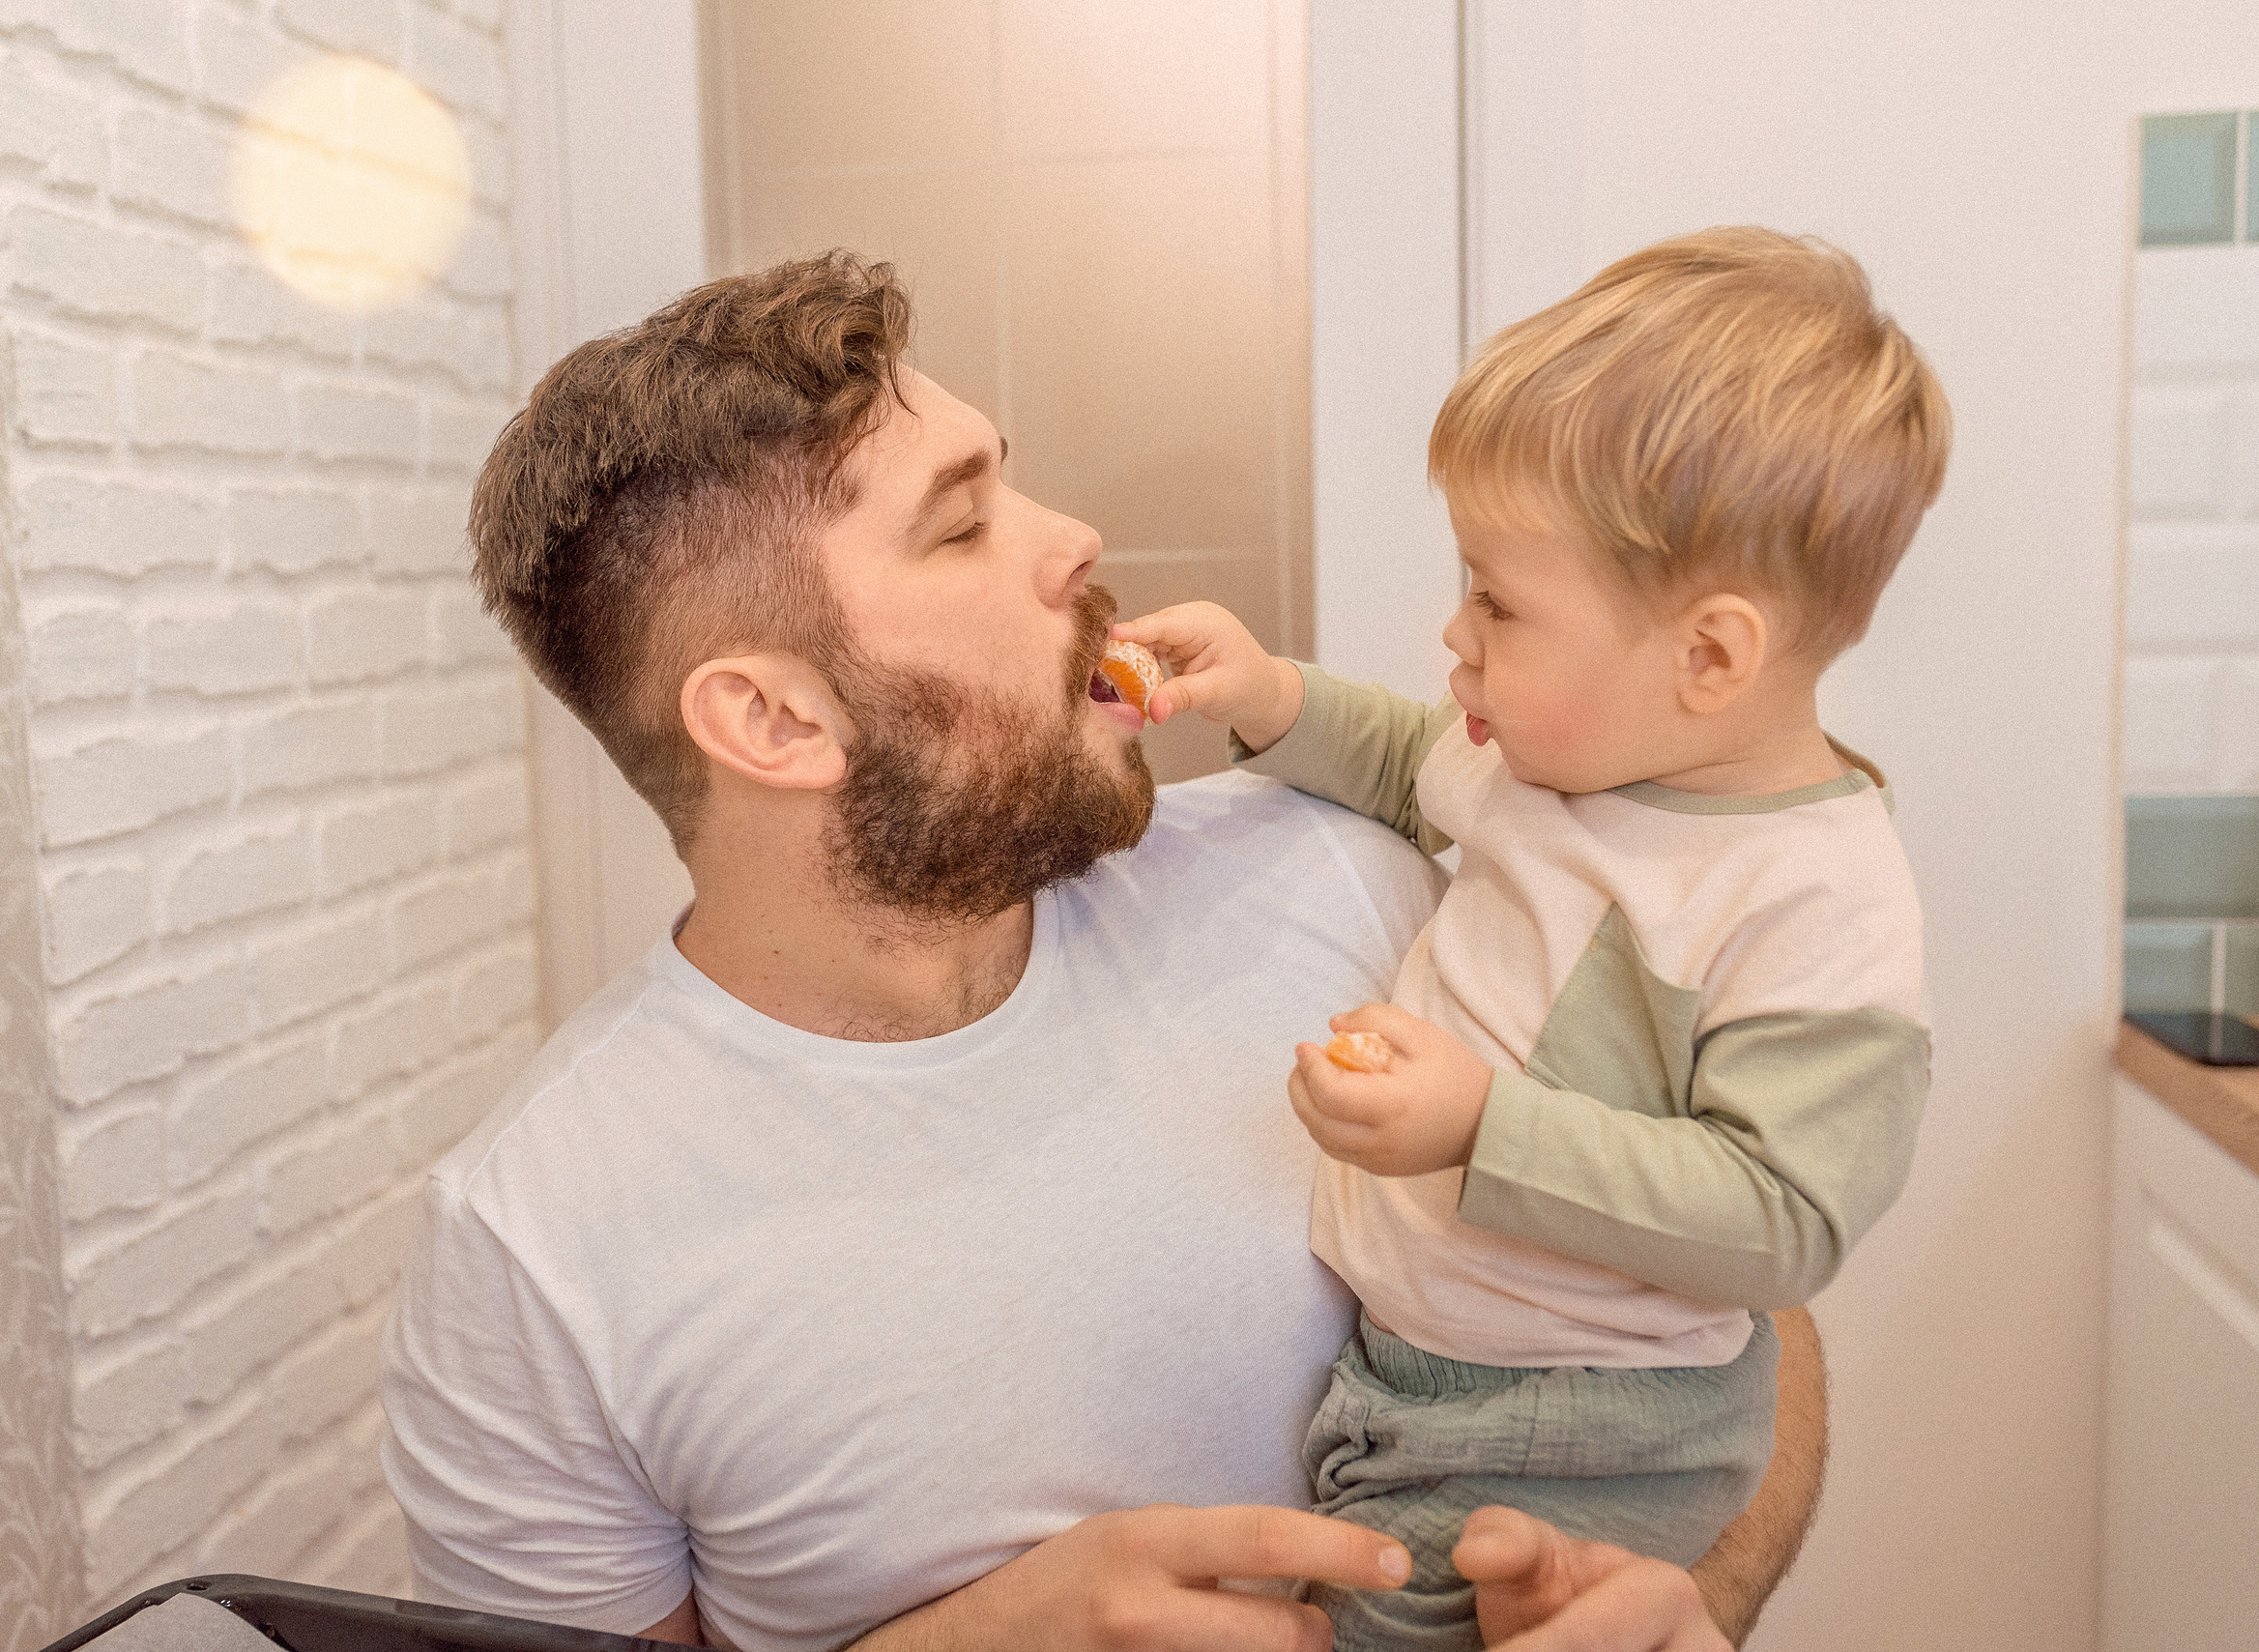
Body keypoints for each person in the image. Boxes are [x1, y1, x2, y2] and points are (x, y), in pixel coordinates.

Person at [379, 251, 1827, 1652]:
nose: (1067, 535)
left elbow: (1742, 1319)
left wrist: (1691, 1595)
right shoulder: (530, 1258)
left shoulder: (1353, 885)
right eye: (961, 523)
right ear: (773, 720)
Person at [1115, 227, 1943, 1648]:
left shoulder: (1815, 902)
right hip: (1433, 1381)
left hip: (1587, 1427)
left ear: (1711, 656)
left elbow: (1784, 1218)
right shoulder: (1553, 766)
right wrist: (1263, 693)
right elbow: (1403, 754)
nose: (1458, 631)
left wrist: (1479, 1125)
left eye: (1499, 598)